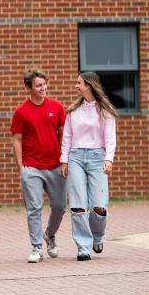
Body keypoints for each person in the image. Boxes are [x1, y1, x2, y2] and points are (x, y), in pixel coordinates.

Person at [10, 68, 67, 263]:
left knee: (60, 206)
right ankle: (36, 247)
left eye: (44, 84)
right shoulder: (21, 112)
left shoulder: (57, 107)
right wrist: (21, 167)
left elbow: (63, 136)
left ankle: (49, 235)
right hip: (31, 166)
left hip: (55, 166)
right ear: (29, 88)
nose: (43, 88)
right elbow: (17, 140)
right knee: (34, 208)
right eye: (38, 85)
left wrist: (64, 160)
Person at [60, 71, 118, 261]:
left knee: (98, 206)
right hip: (75, 157)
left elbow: (110, 139)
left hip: (97, 158)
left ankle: (97, 236)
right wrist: (64, 160)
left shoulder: (105, 111)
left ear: (89, 85)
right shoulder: (73, 111)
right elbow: (67, 137)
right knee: (78, 205)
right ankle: (83, 246)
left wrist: (109, 159)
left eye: (79, 83)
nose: (76, 86)